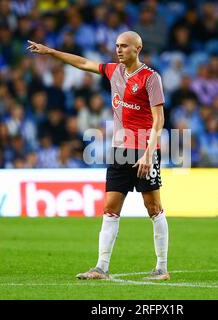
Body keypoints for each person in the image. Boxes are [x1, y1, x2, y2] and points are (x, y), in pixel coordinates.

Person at [27, 31, 169, 280]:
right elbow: (83, 63)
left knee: (153, 207)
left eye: (124, 46)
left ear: (138, 48)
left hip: (144, 151)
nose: (119, 49)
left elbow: (159, 119)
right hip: (119, 150)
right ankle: (101, 267)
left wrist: (148, 153)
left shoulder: (150, 78)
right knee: (110, 208)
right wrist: (50, 52)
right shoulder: (113, 71)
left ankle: (161, 268)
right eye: (117, 46)